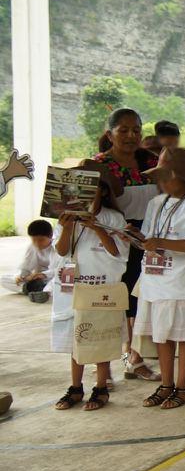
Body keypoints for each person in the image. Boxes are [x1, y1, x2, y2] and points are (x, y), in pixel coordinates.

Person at [49, 160, 127, 411]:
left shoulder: (113, 217)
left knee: (99, 338)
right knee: (76, 338)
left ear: (102, 190)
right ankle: (75, 387)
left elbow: (118, 253)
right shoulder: (65, 218)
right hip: (74, 288)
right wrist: (67, 226)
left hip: (101, 287)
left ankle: (101, 387)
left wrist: (98, 229)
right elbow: (61, 251)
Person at [136, 148, 185, 410]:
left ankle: (183, 386)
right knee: (161, 336)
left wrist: (161, 242)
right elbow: (147, 237)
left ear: (184, 177)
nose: (162, 181)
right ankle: (166, 384)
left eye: (167, 175)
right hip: (155, 281)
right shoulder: (157, 203)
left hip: (182, 282)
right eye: (160, 176)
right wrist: (134, 237)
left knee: (184, 336)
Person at [94, 108, 160, 382]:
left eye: (136, 129)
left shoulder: (151, 161)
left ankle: (135, 356)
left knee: (139, 297)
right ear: (110, 134)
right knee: (112, 298)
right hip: (114, 239)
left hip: (148, 236)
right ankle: (103, 362)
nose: (131, 135)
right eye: (124, 130)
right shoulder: (98, 165)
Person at [1, 219, 53, 302]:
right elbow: (26, 265)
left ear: (50, 236)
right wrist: (21, 276)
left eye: (41, 240)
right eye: (34, 240)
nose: (37, 243)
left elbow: (58, 269)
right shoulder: (32, 247)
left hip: (50, 278)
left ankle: (41, 290)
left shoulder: (57, 248)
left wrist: (43, 274)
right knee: (4, 280)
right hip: (34, 280)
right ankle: (36, 290)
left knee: (57, 284)